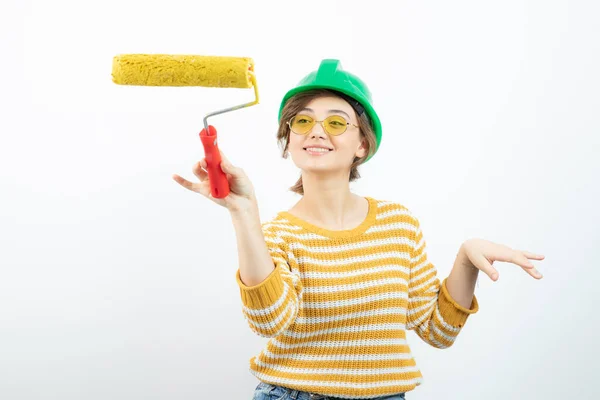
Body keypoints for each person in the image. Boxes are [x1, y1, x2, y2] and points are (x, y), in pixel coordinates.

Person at [172, 59, 545, 400]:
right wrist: (244, 212)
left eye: (335, 122)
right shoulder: (278, 235)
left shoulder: (398, 224)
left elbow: (438, 331)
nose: (316, 131)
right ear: (289, 139)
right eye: (302, 121)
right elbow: (268, 321)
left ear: (362, 145)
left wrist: (466, 259)